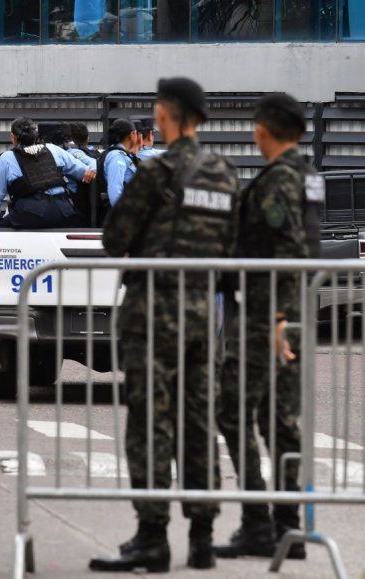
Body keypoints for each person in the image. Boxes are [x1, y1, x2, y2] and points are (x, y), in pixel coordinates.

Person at [91, 78, 241, 573]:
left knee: (150, 424)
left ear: (168, 113)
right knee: (199, 423)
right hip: (202, 316)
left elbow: (115, 237)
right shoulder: (224, 173)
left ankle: (152, 536)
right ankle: (202, 537)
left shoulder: (158, 172)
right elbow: (232, 246)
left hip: (153, 314)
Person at [213, 94, 321, 561]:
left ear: (264, 129)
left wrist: (276, 319)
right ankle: (288, 527)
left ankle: (260, 523)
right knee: (280, 421)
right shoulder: (309, 176)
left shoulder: (279, 179)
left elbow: (290, 249)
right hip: (289, 313)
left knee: (233, 410)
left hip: (265, 317)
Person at [0, 117, 91, 231]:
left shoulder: (6, 158)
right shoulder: (53, 149)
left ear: (13, 137)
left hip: (29, 215)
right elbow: (85, 172)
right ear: (36, 135)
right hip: (63, 212)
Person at [57, 123, 97, 226]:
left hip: (74, 204)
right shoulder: (96, 151)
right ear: (88, 138)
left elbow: (92, 163)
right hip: (90, 206)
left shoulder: (72, 153)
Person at [98, 118, 139, 208]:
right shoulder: (116, 156)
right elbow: (115, 191)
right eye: (136, 133)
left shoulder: (123, 155)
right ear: (132, 134)